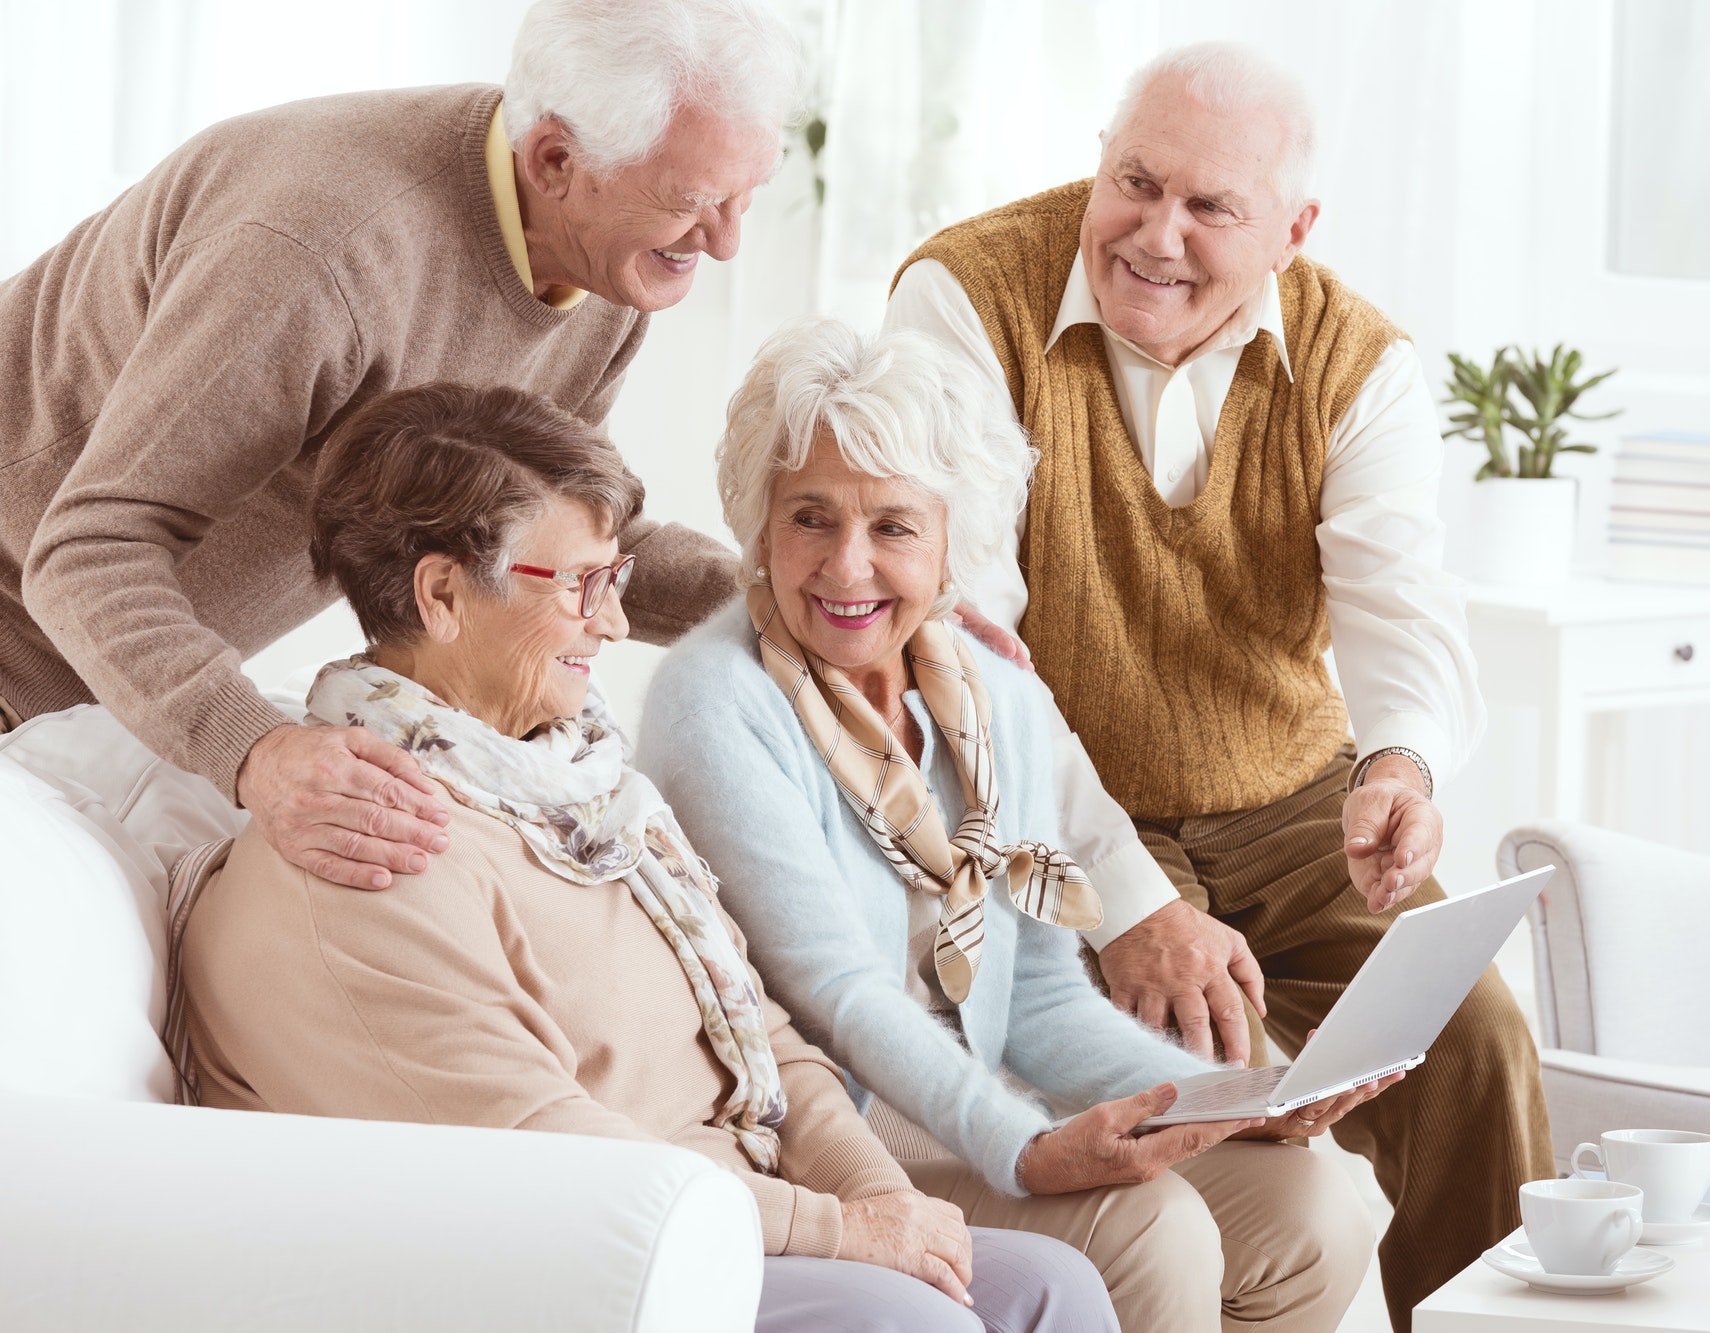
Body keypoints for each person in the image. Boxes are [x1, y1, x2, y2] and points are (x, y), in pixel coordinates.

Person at [175, 382, 1118, 1333]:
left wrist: (886, 1203)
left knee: (1051, 1287)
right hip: (571, 1263)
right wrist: (839, 1231)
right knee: (907, 1323)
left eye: (616, 579)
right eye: (583, 585)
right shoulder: (367, 856)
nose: (618, 625)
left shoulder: (580, 787)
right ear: (445, 594)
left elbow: (762, 1030)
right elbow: (555, 1162)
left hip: (717, 1209)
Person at [881, 41, 1553, 1331]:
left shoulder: (1359, 361)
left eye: (1210, 209)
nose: (1154, 234)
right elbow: (961, 646)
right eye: (1134, 182)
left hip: (1289, 800)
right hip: (1066, 806)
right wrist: (1127, 899)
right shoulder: (964, 298)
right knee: (1207, 1059)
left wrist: (1398, 762)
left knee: (1473, 1039)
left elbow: (1397, 600)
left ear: (1292, 229)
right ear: (1099, 160)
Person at [638, 318, 1392, 1333]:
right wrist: (1025, 1150)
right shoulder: (713, 700)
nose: (845, 566)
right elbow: (835, 997)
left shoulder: (993, 699)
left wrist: (1231, 1099)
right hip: (831, 1135)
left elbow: (1036, 993)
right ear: (758, 524)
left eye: (893, 526)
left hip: (967, 1092)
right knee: (1151, 1227)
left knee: (1315, 1209)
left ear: (954, 539)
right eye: (809, 518)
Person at [0, 0, 797, 894]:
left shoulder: (604, 261)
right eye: (693, 203)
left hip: (94, 702)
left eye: (746, 196)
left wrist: (790, 607)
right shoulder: (320, 256)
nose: (727, 243)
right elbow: (86, 550)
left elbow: (570, 538)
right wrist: (254, 749)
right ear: (558, 161)